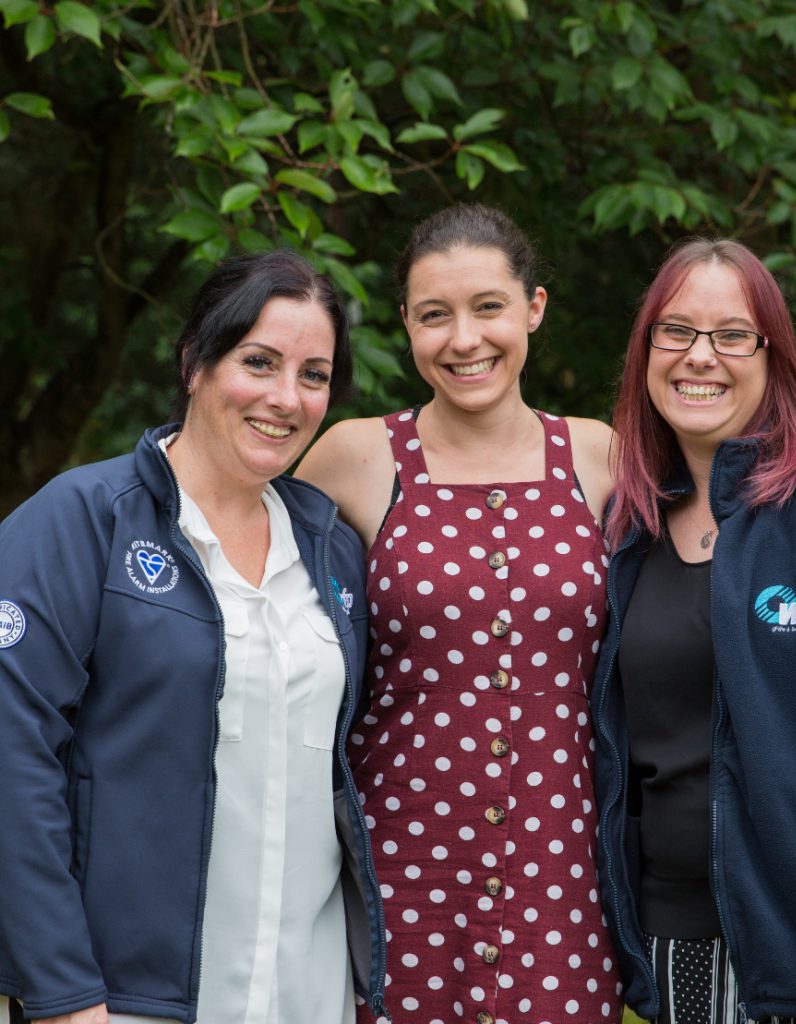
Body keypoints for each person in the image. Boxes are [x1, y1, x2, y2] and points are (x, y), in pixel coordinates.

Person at [0, 251, 387, 1024]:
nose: (286, 397)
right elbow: (11, 756)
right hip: (126, 1000)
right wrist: (63, 994)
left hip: (305, 995)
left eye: (313, 375)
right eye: (259, 362)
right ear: (194, 364)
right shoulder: (82, 519)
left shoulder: (330, 548)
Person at [296, 203, 623, 1024]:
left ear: (533, 309)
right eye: (434, 315)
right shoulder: (355, 454)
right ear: (405, 322)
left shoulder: (599, 456)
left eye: (488, 308)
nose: (463, 339)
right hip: (399, 857)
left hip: (563, 859)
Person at [592, 237, 796, 1024]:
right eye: (674, 331)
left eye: (730, 334)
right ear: (644, 352)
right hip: (676, 952)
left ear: (770, 354)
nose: (699, 357)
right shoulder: (630, 525)